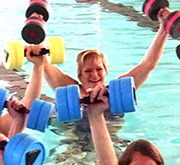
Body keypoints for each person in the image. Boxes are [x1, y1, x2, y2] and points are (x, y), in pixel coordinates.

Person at [42, 7, 171, 98]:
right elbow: (44, 64)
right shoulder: (70, 91)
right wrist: (36, 30)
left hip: (110, 135)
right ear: (79, 75)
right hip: (74, 136)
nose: (94, 75)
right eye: (87, 71)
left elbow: (148, 64)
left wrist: (164, 29)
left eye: (99, 69)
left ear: (106, 71)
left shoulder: (117, 91)